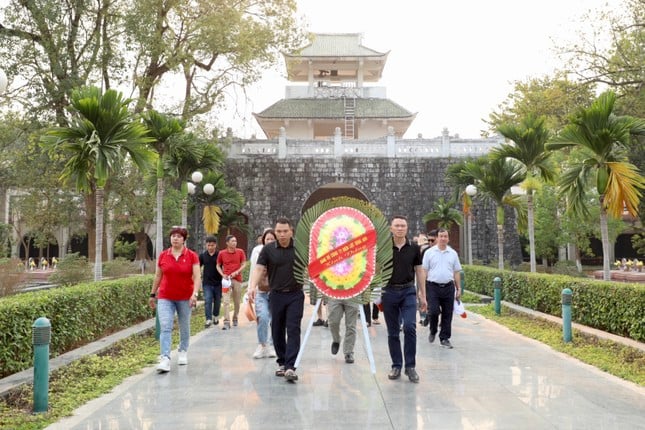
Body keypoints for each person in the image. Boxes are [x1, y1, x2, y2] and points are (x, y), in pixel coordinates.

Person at [248, 217, 304, 382]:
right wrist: (252, 286)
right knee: (277, 329)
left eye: (285, 231)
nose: (282, 234)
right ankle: (282, 362)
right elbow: (259, 268)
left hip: (295, 294)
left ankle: (290, 366)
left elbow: (313, 266)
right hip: (276, 295)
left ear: (291, 231)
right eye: (278, 231)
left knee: (293, 328)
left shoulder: (300, 248)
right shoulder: (268, 250)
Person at [149, 226, 201, 373]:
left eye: (178, 236)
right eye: (173, 236)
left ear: (184, 239)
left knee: (184, 325)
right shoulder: (164, 255)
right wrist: (152, 294)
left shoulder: (191, 256)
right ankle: (165, 357)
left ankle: (183, 350)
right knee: (165, 326)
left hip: (185, 297)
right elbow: (158, 276)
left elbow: (197, 276)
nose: (175, 238)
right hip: (166, 296)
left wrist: (195, 294)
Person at [382, 215, 426, 383]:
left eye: (403, 226)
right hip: (389, 292)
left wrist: (423, 294)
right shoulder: (383, 248)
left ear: (407, 229)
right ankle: (396, 365)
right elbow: (376, 269)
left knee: (409, 327)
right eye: (397, 226)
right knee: (393, 332)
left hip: (408, 291)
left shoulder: (414, 248)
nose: (400, 228)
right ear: (391, 229)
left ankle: (410, 366)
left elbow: (419, 270)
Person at [422, 227, 462, 349]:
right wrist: (422, 289)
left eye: (445, 236)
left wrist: (458, 288)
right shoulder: (429, 253)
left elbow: (456, 272)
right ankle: (433, 330)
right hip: (433, 286)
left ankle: (444, 338)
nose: (443, 238)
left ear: (448, 239)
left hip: (448, 287)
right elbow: (424, 270)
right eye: (441, 236)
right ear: (437, 238)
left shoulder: (453, 254)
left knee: (447, 313)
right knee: (433, 311)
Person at [248, 229, 277, 359]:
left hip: (276, 292)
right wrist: (250, 288)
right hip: (261, 292)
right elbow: (254, 271)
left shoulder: (279, 253)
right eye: (267, 239)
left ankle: (271, 345)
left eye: (272, 239)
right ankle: (262, 344)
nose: (270, 241)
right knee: (263, 317)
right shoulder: (257, 252)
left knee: (276, 321)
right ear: (263, 240)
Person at [217, 235, 247, 330]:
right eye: (232, 241)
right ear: (227, 243)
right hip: (226, 280)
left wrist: (238, 271)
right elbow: (218, 265)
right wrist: (222, 274)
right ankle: (226, 321)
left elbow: (244, 263)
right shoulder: (222, 253)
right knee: (225, 301)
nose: (235, 242)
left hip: (237, 280)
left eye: (235, 241)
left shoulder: (240, 252)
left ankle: (235, 318)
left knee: (237, 301)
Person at [199, 236, 223, 328]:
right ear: (206, 245)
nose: (210, 247)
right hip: (207, 283)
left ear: (215, 245)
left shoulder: (220, 255)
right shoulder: (202, 256)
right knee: (208, 300)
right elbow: (197, 267)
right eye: (208, 245)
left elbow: (225, 266)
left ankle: (215, 316)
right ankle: (208, 319)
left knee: (217, 301)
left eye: (212, 245)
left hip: (218, 283)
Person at [327, 298, 359, 363]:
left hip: (352, 295)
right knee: (333, 322)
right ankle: (336, 340)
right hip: (335, 294)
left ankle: (348, 352)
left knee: (351, 326)